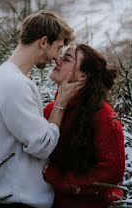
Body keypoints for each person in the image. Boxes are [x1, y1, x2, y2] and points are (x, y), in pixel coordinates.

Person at [0, 10, 81, 208]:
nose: (57, 58)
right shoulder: (13, 83)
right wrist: (61, 102)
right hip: (18, 199)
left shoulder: (11, 78)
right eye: (58, 48)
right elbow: (42, 144)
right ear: (43, 41)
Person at [42, 44, 125, 208]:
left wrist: (63, 181)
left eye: (66, 59)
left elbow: (112, 172)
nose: (57, 60)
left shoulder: (103, 116)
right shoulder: (50, 111)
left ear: (82, 76)